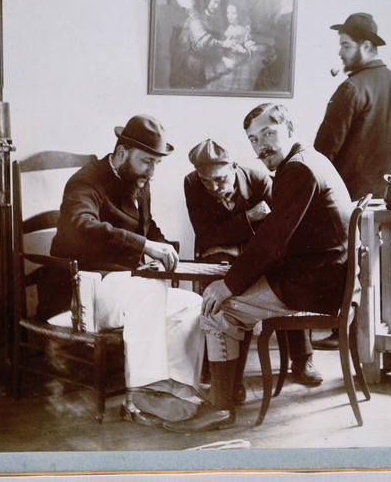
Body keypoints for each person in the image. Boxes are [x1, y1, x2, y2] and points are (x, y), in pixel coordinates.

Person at [164, 104, 352, 433]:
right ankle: (228, 391)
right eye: (253, 139)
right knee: (229, 295)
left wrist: (230, 285)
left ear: (289, 128)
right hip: (324, 275)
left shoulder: (297, 170)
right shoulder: (309, 159)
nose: (260, 145)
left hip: (314, 283)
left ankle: (221, 407)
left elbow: (272, 242)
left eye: (268, 133)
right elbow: (274, 239)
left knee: (216, 307)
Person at [41, 114, 204, 427]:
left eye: (157, 164)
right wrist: (144, 246)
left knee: (191, 304)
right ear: (121, 151)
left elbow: (149, 228)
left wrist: (161, 247)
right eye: (147, 162)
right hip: (78, 291)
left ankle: (178, 388)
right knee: (149, 292)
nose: (152, 171)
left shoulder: (138, 182)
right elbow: (82, 225)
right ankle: (144, 393)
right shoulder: (85, 180)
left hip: (120, 287)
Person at [183, 138, 323, 397]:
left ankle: (302, 359)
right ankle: (222, 372)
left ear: (234, 167)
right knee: (220, 293)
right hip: (220, 251)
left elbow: (282, 231)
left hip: (258, 251)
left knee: (284, 272)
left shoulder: (260, 180)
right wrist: (248, 218)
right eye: (207, 181)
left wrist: (242, 240)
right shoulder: (191, 183)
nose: (214, 188)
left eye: (221, 179)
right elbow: (206, 235)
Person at [312, 12, 391, 350]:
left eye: (345, 45)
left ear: (366, 46)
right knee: (372, 263)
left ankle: (346, 329)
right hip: (380, 197)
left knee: (347, 264)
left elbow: (323, 152)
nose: (339, 52)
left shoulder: (351, 88)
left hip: (345, 196)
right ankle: (369, 332)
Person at [171, 0, 232, 88]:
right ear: (207, 1)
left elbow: (217, 40)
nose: (216, 6)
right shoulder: (195, 18)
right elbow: (203, 42)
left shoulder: (212, 19)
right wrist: (223, 44)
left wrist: (224, 55)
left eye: (218, 3)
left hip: (203, 63)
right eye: (214, 2)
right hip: (189, 64)